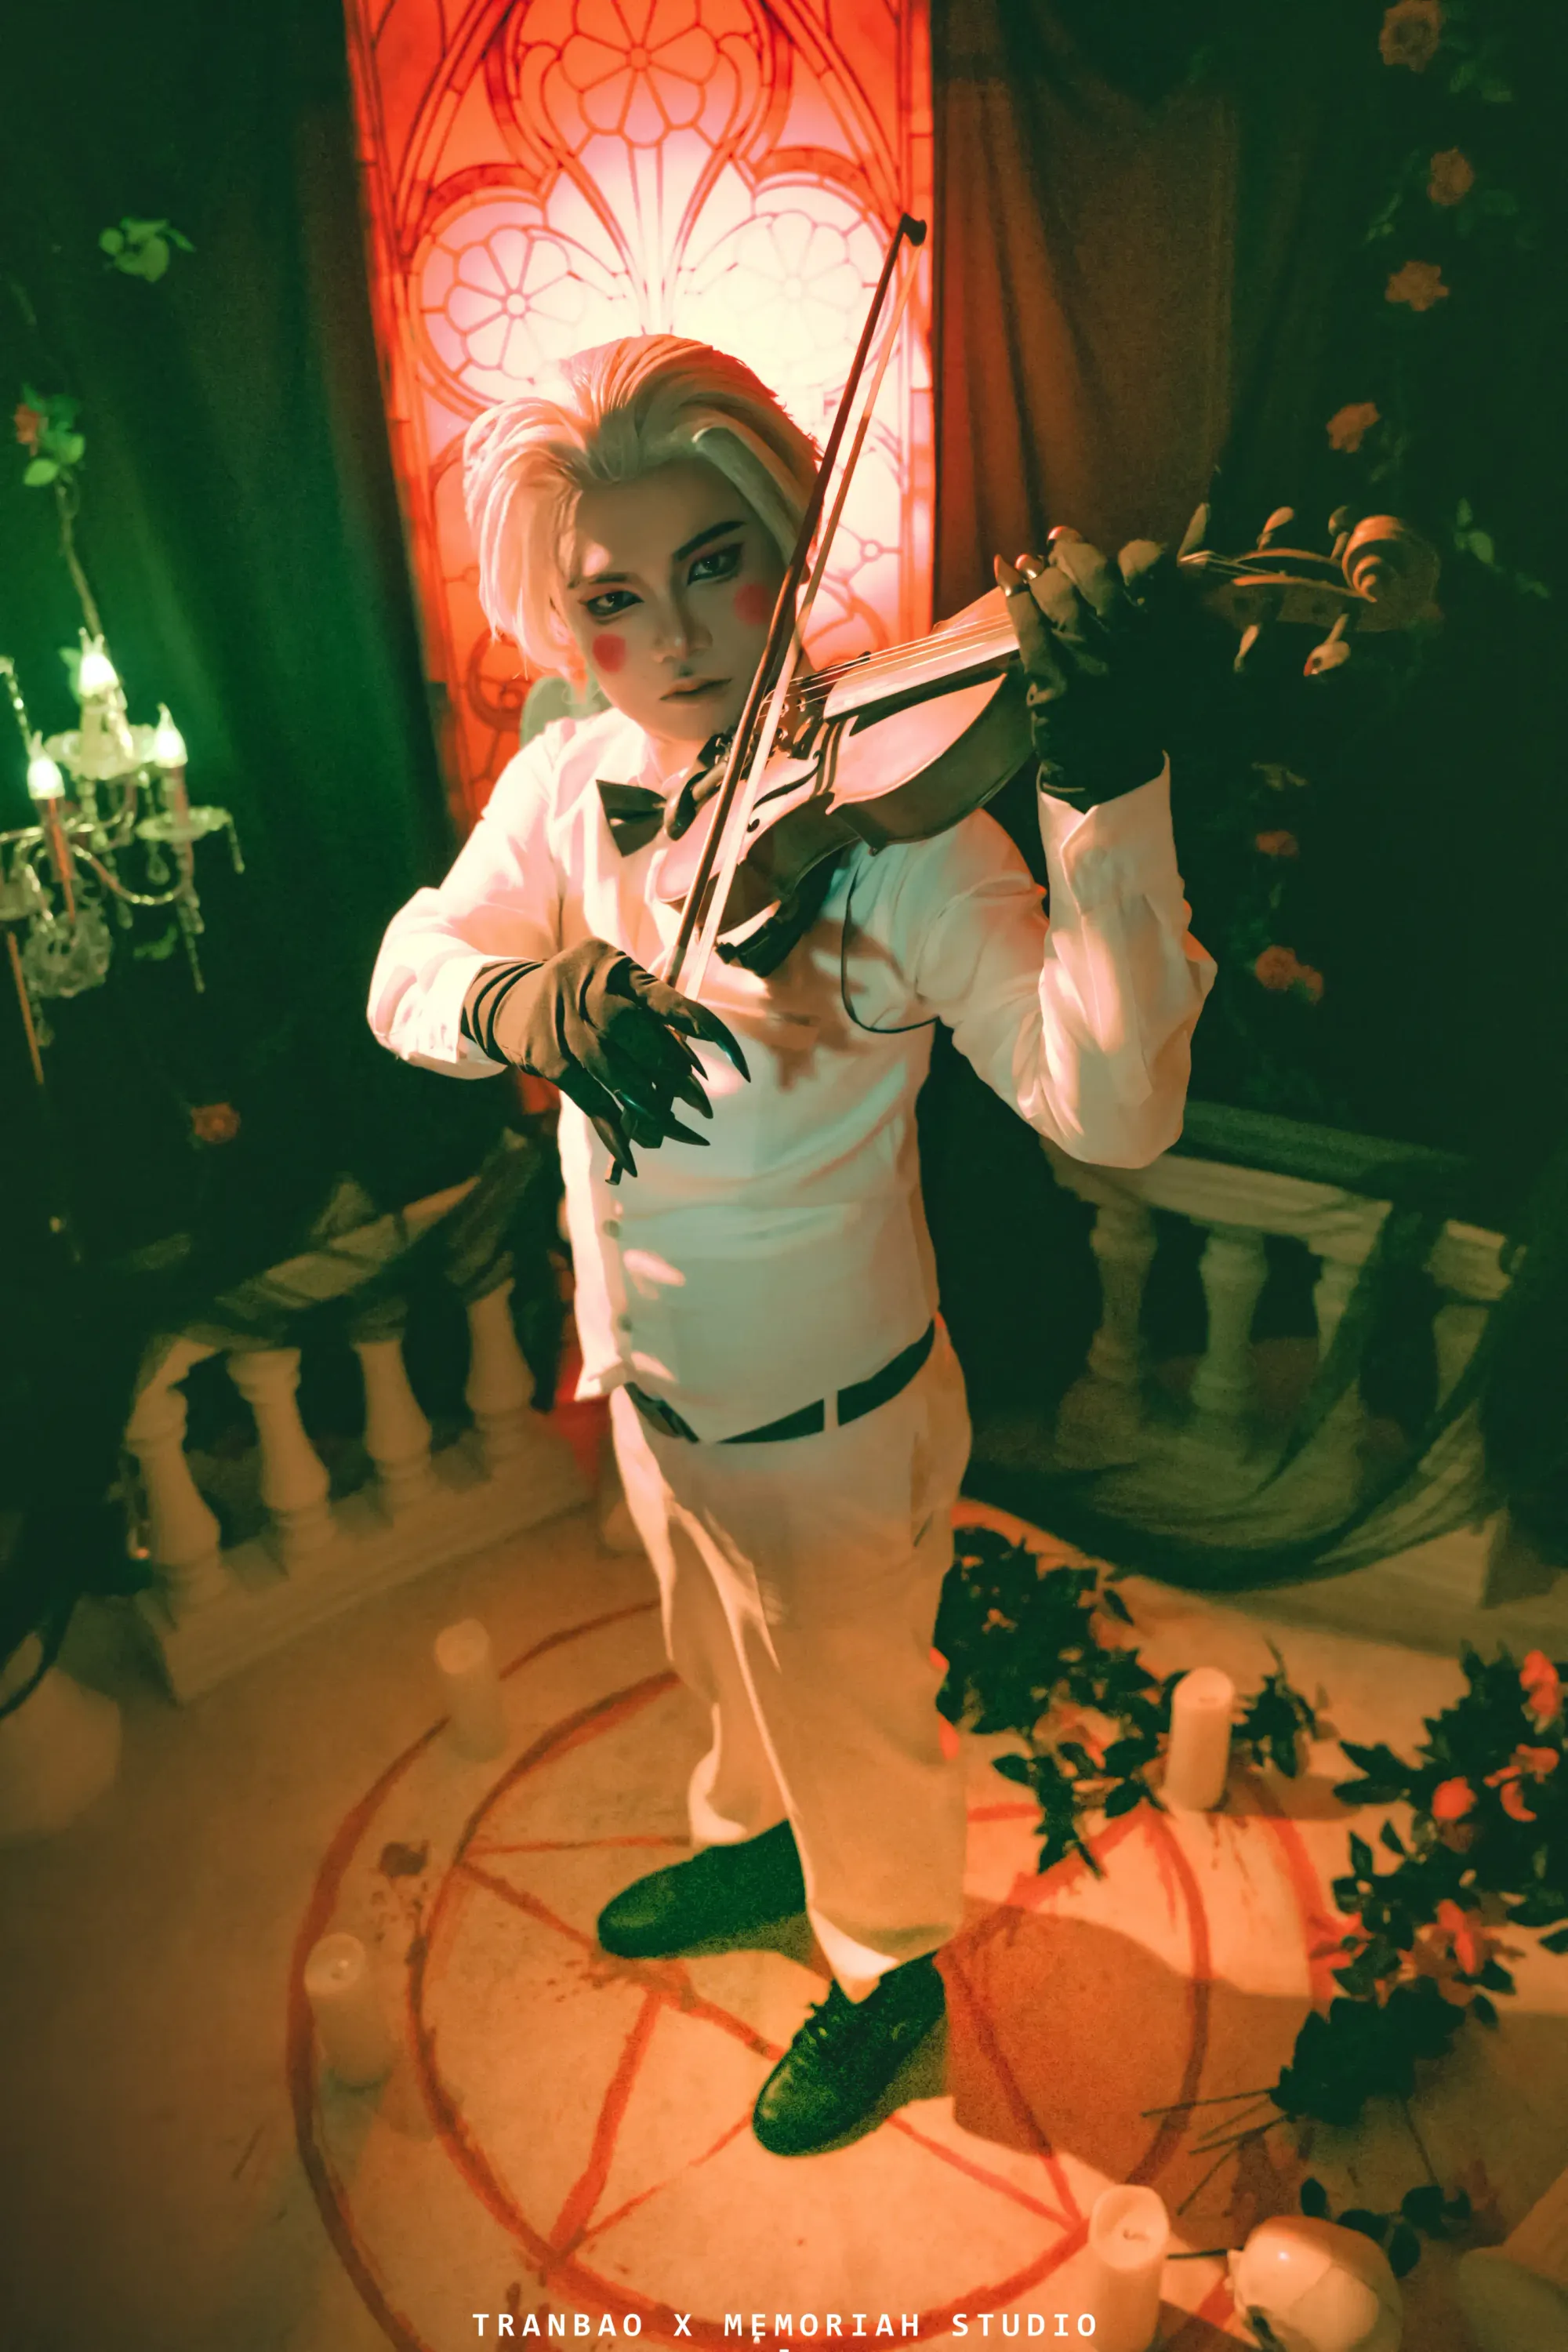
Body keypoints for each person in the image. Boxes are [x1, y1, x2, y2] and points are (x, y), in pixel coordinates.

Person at [367, 333, 1215, 2158]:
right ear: (567, 622)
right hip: (653, 1391)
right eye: (614, 599)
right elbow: (409, 969)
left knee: (856, 1730)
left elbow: (1111, 1106)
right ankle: (756, 1845)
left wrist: (1103, 784)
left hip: (830, 1424)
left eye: (715, 565)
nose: (676, 640)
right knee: (722, 1673)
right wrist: (511, 1002)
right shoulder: (566, 779)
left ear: (789, 546)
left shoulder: (903, 841)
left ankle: (882, 1965)